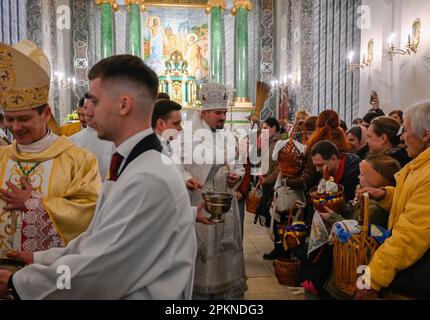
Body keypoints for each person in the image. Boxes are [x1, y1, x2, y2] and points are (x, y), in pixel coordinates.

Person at [0, 54, 197, 300]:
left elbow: (99, 269)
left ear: (123, 105)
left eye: (94, 100)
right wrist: (44, 257)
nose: (86, 110)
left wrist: (19, 284)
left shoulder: (148, 177)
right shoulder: (133, 162)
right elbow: (97, 237)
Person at [0, 40, 101, 256]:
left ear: (46, 114)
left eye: (24, 119)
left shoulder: (78, 160)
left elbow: (89, 213)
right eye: (9, 119)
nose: (15, 128)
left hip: (51, 277)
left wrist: (34, 205)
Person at [172, 83, 246, 300]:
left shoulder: (228, 136)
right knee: (204, 252)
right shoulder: (185, 136)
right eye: (218, 112)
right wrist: (186, 178)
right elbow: (176, 165)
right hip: (200, 201)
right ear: (204, 113)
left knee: (226, 250)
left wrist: (236, 176)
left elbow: (238, 164)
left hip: (226, 199)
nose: (222, 117)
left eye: (224, 112)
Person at [355, 101, 430, 300]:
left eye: (405, 130)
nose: (402, 137)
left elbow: (410, 235)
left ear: (425, 135)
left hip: (417, 277)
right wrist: (386, 195)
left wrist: (373, 277)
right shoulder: (421, 164)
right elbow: (411, 197)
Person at [70, 95, 114, 181]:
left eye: (89, 108)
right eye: (85, 108)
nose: (84, 116)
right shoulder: (72, 140)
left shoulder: (113, 137)